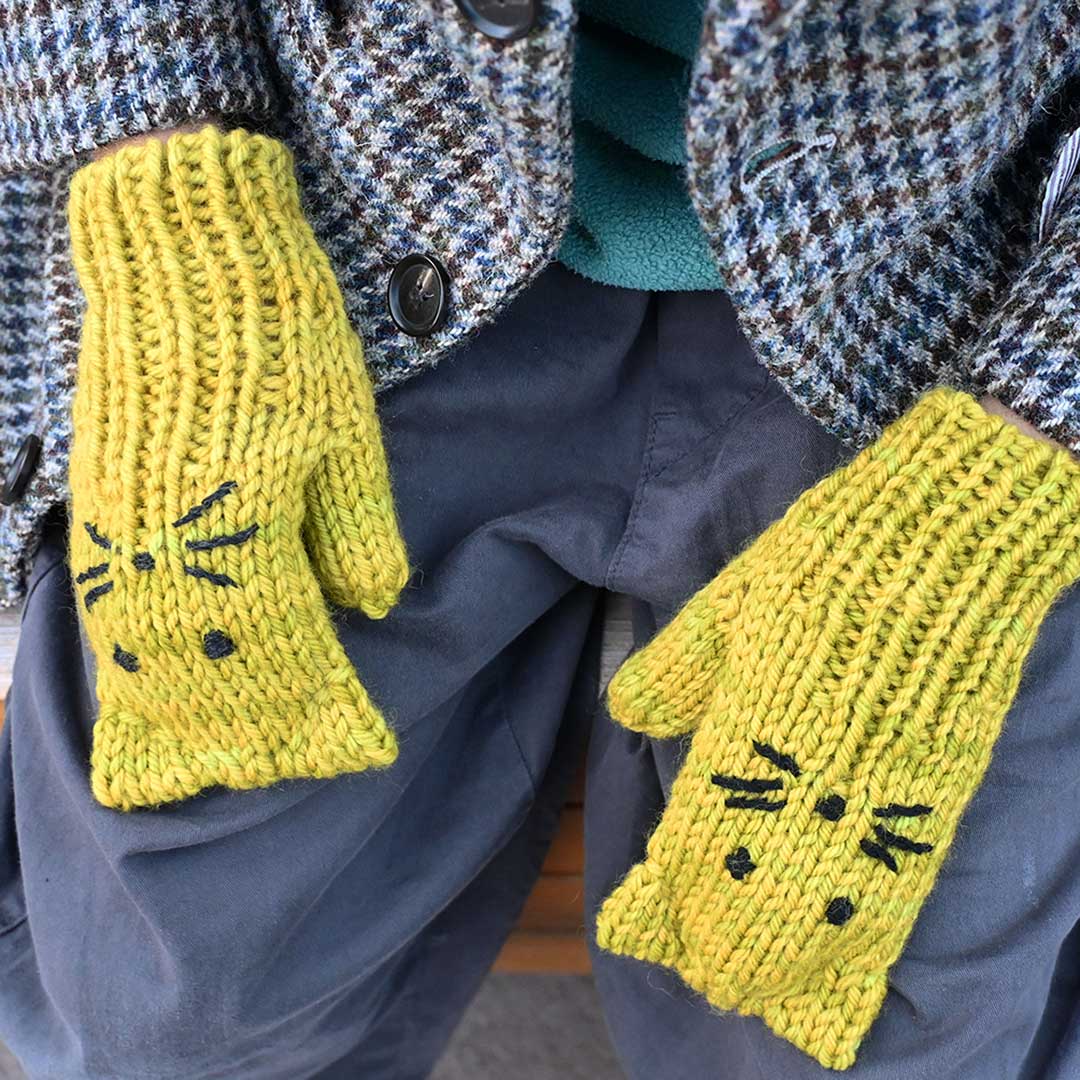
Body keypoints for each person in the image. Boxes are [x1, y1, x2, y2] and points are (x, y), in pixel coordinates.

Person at [1, 1, 1079, 1077]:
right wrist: (170, 191)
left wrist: (1014, 455)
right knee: (168, 997)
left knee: (862, 1006)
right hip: (361, 173)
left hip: (950, 281)